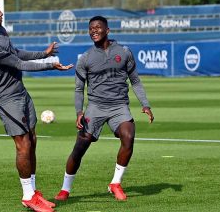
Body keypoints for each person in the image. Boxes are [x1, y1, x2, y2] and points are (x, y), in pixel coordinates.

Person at [0, 0, 73, 212]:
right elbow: (18, 63)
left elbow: (16, 53)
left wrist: (44, 54)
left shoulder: (0, 30)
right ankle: (28, 195)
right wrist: (50, 65)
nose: (1, 13)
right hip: (6, 99)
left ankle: (34, 193)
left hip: (20, 92)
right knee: (23, 144)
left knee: (33, 140)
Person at [54, 16, 154, 201]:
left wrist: (145, 104)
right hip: (96, 107)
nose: (94, 31)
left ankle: (115, 183)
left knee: (129, 136)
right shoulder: (85, 58)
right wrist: (79, 112)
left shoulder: (124, 52)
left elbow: (135, 81)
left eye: (98, 27)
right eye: (91, 28)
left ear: (107, 30)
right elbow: (78, 88)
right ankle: (65, 188)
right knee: (80, 148)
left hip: (119, 106)